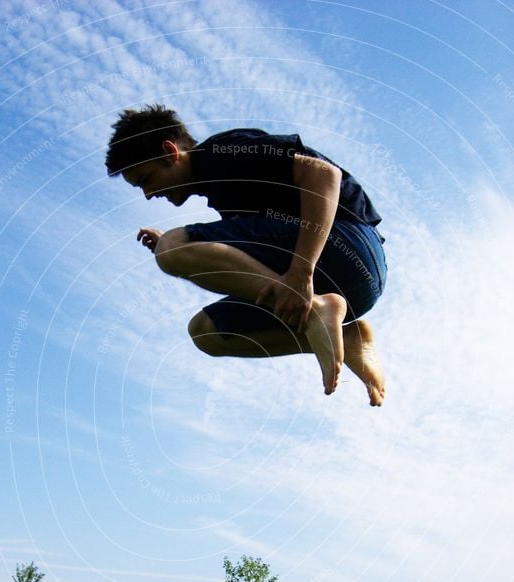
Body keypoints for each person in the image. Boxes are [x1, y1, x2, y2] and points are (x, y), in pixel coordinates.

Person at [105, 104, 387, 405]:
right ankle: (347, 338)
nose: (148, 194)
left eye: (146, 179)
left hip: (349, 243)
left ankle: (317, 308)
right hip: (356, 287)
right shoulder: (220, 190)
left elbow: (324, 176)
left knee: (172, 247)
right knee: (206, 332)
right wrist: (177, 251)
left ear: (170, 152)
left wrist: (301, 273)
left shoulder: (222, 153)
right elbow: (246, 248)